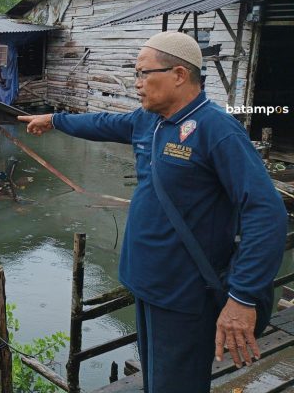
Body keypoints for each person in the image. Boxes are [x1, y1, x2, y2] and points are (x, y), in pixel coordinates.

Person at [18, 31, 287, 393]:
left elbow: (266, 213)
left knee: (176, 385)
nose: (137, 83)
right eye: (136, 74)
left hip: (185, 295)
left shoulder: (216, 130)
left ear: (178, 74)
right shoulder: (149, 121)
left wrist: (242, 298)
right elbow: (101, 124)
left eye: (144, 73)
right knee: (156, 380)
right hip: (147, 285)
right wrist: (54, 120)